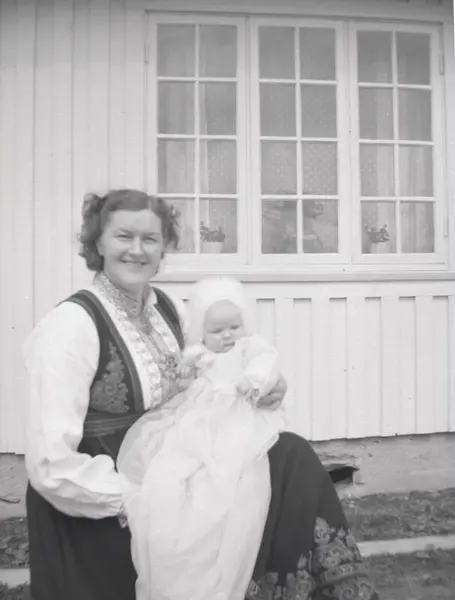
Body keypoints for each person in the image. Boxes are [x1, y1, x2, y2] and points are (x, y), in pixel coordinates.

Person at [22, 188, 378, 600]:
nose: (137, 250)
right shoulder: (70, 327)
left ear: (164, 248)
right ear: (97, 242)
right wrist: (139, 500)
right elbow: (51, 464)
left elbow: (217, 376)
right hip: (103, 507)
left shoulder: (167, 311)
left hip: (178, 476)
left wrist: (267, 386)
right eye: (123, 236)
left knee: (288, 459)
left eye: (150, 239)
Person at [117, 277, 286, 600]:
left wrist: (253, 381)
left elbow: (268, 362)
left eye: (234, 327)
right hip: (201, 418)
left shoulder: (249, 348)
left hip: (237, 418)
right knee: (176, 465)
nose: (227, 336)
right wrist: (187, 371)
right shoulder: (203, 354)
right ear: (203, 333)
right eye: (217, 330)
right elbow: (187, 370)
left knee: (232, 475)